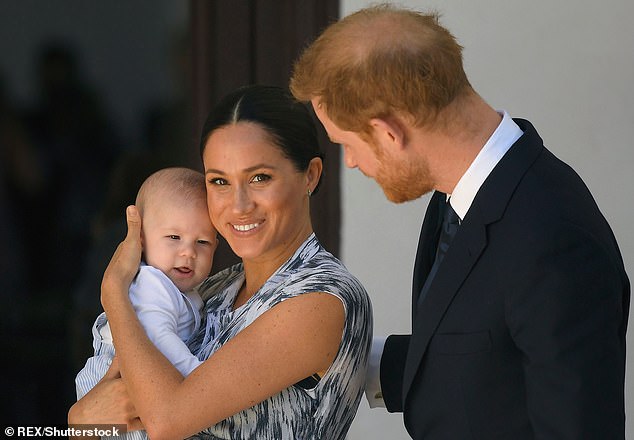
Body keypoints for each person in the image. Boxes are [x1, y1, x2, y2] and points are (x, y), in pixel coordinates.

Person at [290, 4, 629, 439]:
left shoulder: (554, 239)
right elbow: (480, 357)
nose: (352, 163)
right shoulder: (461, 193)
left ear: (390, 133)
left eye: (346, 144)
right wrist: (325, 355)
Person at [68, 85, 372, 440]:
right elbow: (94, 420)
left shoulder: (321, 297)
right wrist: (80, 418)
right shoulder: (211, 287)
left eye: (260, 178)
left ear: (311, 175)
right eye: (219, 181)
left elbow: (166, 420)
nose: (239, 205)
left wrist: (114, 292)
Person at [74, 167, 218, 439]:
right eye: (174, 237)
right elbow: (158, 337)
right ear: (140, 240)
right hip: (117, 380)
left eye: (202, 242)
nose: (188, 251)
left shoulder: (183, 290)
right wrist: (198, 378)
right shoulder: (152, 284)